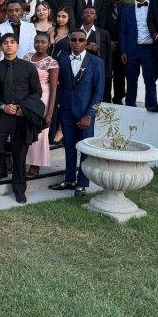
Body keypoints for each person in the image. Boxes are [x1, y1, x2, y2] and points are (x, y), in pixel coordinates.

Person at [0, 33, 45, 203]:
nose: (9, 45)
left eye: (12, 42)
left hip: (22, 115)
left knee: (20, 154)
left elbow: (37, 92)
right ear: (1, 47)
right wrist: (2, 106)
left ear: (17, 46)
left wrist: (22, 108)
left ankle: (19, 189)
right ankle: (1, 170)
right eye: (5, 43)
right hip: (2, 113)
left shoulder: (28, 68)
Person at [50, 29, 105, 196]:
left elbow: (98, 92)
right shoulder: (63, 60)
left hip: (85, 114)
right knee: (69, 146)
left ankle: (82, 184)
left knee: (85, 149)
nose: (77, 43)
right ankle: (69, 180)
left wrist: (89, 115)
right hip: (67, 112)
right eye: (73, 39)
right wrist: (60, 107)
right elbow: (61, 87)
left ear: (86, 43)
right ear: (69, 41)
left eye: (81, 40)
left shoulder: (96, 62)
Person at [24, 33, 59, 177]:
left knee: (40, 132)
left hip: (43, 98)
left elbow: (54, 89)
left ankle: (35, 164)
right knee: (23, 129)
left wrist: (49, 113)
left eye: (43, 42)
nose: (39, 44)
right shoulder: (27, 57)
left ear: (49, 44)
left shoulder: (52, 62)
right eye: (37, 41)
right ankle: (20, 161)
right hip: (26, 96)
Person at [119, 0, 157, 111]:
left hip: (150, 50)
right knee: (131, 79)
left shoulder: (155, 7)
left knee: (150, 80)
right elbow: (123, 32)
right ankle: (130, 106)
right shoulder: (126, 10)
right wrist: (123, 51)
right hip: (132, 50)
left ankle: (151, 106)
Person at [100, 0, 127, 104]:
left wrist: (122, 45)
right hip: (106, 45)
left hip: (122, 47)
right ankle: (105, 98)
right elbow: (100, 26)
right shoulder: (103, 7)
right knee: (106, 73)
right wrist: (108, 42)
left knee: (120, 73)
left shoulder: (129, 7)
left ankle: (118, 98)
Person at [79, 6, 112, 88]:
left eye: (92, 13)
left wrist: (107, 72)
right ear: (82, 15)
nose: (88, 15)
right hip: (78, 69)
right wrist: (86, 47)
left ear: (96, 16)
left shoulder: (103, 33)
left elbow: (108, 54)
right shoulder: (74, 32)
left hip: (97, 70)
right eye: (86, 12)